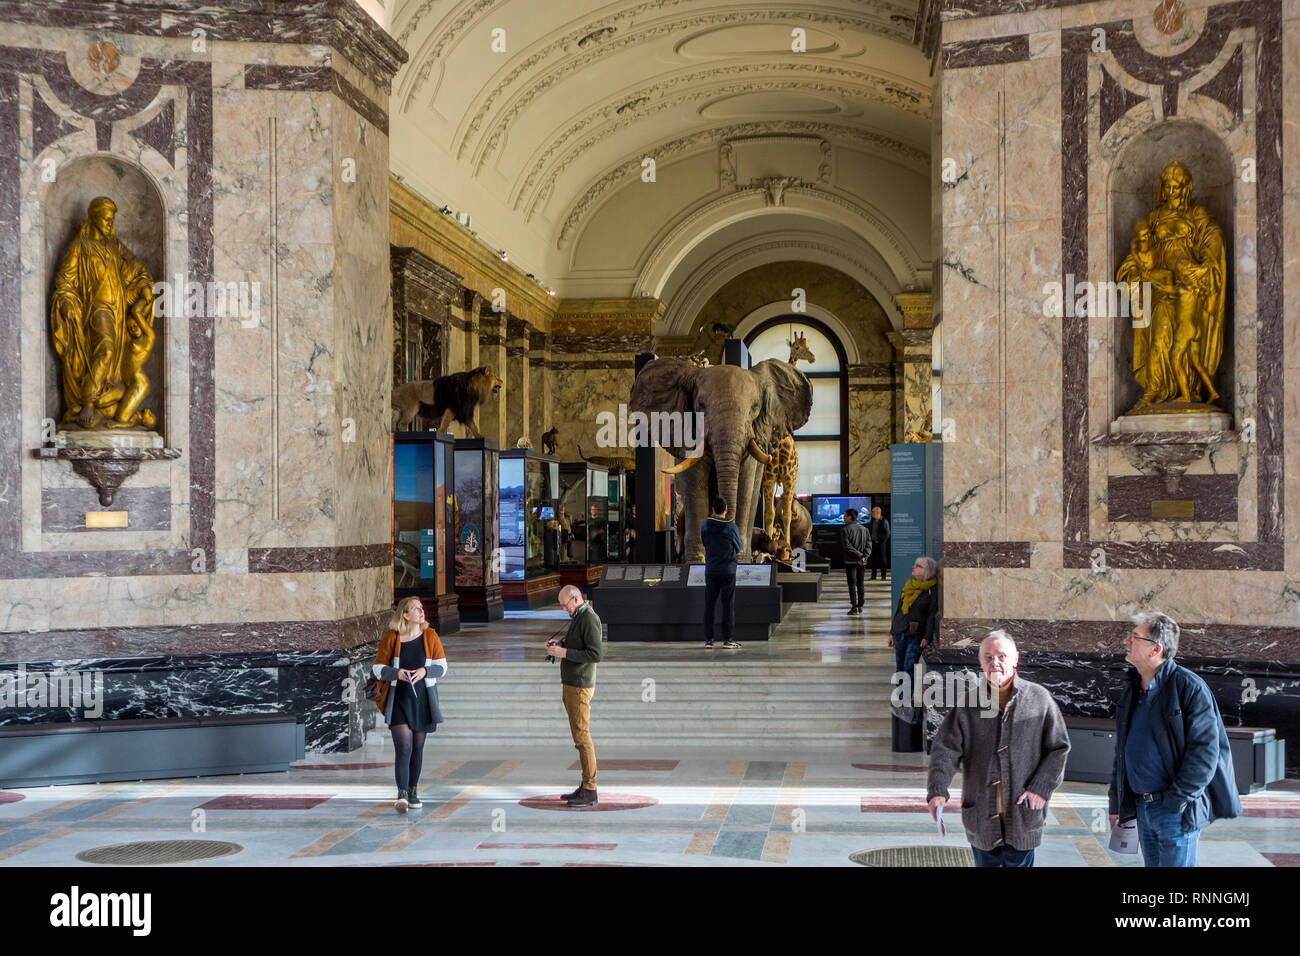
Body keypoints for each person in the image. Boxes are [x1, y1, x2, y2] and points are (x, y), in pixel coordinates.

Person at [1108, 612, 1241, 867]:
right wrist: (1118, 802)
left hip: (1174, 810)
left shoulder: (1188, 687)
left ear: (1155, 649)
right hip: (1142, 807)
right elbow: (1122, 754)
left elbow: (1205, 753)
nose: (1126, 641)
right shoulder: (1132, 690)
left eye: (1134, 637)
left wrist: (1176, 801)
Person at [927, 631, 1070, 867]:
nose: (995, 662)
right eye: (988, 657)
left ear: (1016, 659)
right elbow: (945, 748)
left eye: (1002, 656)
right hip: (981, 818)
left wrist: (1040, 788)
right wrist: (937, 789)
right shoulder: (968, 703)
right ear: (980, 662)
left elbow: (1059, 748)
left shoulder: (1038, 698)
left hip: (1023, 816)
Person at [372, 597, 447, 813]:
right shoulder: (392, 638)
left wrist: (425, 671)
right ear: (405, 614)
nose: (421, 611)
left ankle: (413, 790)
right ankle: (402, 794)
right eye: (416, 608)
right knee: (403, 747)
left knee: (417, 747)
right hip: (399, 699)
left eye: (421, 608)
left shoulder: (430, 636)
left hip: (422, 699)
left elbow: (442, 667)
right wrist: (398, 673)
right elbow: (377, 669)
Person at [546, 585, 604, 807]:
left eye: (564, 604)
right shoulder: (579, 616)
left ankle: (590, 789)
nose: (563, 609)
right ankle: (585, 784)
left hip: (580, 684)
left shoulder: (589, 618)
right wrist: (558, 646)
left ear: (576, 599)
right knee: (579, 737)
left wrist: (564, 653)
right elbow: (576, 644)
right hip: (572, 682)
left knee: (582, 738)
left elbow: (595, 653)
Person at [701, 496, 742, 649]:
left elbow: (705, 543)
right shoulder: (731, 528)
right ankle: (728, 639)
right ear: (726, 509)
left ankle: (709, 640)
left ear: (713, 509)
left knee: (709, 604)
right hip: (728, 571)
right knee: (728, 605)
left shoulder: (705, 526)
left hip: (711, 569)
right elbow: (738, 547)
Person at [889, 555, 938, 677]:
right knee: (900, 668)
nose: (914, 567)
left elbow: (931, 614)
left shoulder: (932, 589)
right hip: (900, 631)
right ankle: (902, 695)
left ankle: (905, 695)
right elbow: (899, 610)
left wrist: (927, 636)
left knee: (909, 667)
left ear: (927, 571)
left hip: (917, 635)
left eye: (918, 566)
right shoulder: (909, 585)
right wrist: (892, 632)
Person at [840, 508, 870, 614]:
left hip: (850, 561)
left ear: (850, 517)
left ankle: (854, 607)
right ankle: (861, 605)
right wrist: (864, 556)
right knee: (860, 583)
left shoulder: (845, 530)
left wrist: (860, 555)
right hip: (862, 561)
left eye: (845, 516)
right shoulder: (865, 529)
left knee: (852, 584)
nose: (843, 518)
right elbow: (868, 545)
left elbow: (847, 547)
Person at [866, 506, 890, 580]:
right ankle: (873, 576)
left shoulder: (884, 521)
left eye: (873, 512)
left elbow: (888, 533)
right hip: (873, 543)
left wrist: (882, 541)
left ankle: (883, 576)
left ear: (878, 513)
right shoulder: (872, 521)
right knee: (873, 560)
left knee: (883, 560)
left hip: (881, 543)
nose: (872, 513)